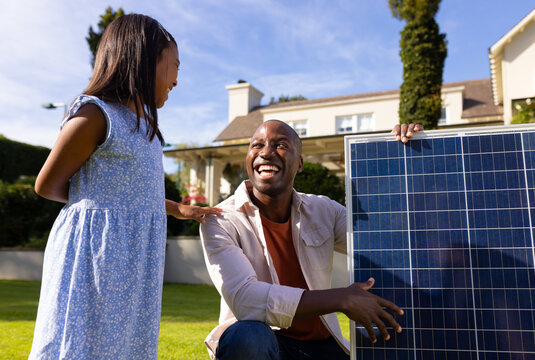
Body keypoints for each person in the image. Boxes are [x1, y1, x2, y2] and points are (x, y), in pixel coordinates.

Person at [28, 14, 221, 360]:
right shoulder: (96, 115)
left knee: (124, 346)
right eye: (174, 65)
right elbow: (47, 184)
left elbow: (133, 192)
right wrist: (100, 212)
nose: (177, 79)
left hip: (135, 260)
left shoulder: (146, 129)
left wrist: (178, 209)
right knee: (79, 344)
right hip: (95, 257)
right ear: (144, 60)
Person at [200, 120, 422, 359]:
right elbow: (246, 300)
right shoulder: (219, 220)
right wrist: (342, 298)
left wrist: (404, 158)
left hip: (321, 345)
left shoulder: (325, 210)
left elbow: (383, 240)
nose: (265, 152)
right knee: (248, 336)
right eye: (257, 145)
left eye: (281, 145)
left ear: (300, 163)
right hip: (264, 342)